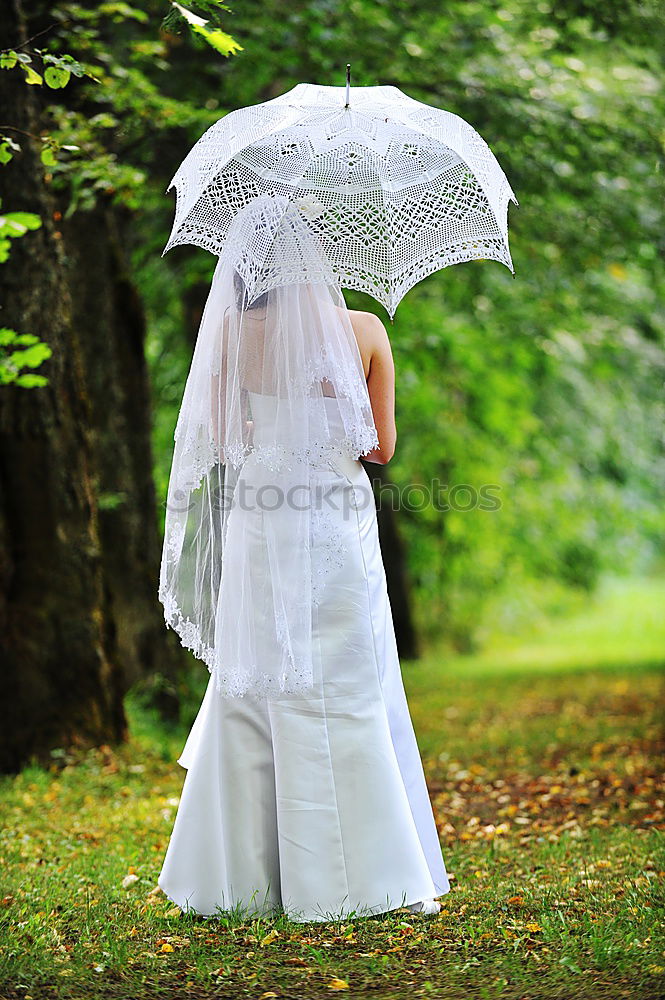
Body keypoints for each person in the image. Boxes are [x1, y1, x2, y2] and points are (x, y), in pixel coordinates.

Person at [157, 194, 450, 922]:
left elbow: (223, 434)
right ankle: (364, 872)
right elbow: (379, 449)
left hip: (264, 508)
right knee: (346, 670)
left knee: (258, 673)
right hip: (332, 511)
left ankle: (237, 880)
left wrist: (274, 423)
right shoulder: (364, 329)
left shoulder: (229, 332)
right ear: (323, 256)